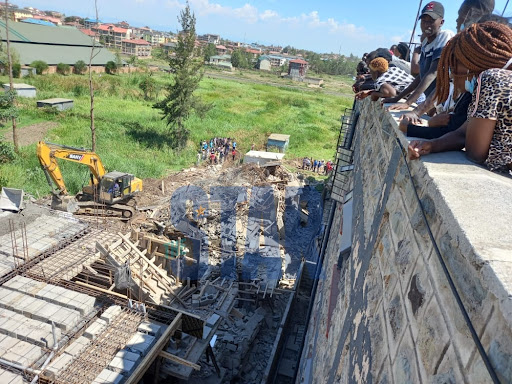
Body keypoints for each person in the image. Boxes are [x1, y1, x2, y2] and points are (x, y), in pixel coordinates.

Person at [409, 22, 512, 173]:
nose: (451, 73)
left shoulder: (491, 78)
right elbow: (463, 133)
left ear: (471, 62)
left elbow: (475, 153)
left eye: (454, 64)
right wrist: (432, 145)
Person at [385, 2, 454, 109]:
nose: (427, 24)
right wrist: (398, 98)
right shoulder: (426, 43)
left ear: (441, 22)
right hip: (433, 101)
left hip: (447, 101)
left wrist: (408, 103)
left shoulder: (445, 36)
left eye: (431, 21)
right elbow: (421, 76)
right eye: (424, 21)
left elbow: (433, 72)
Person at [356, 58, 424, 103]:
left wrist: (374, 94)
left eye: (371, 71)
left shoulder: (380, 80)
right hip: (422, 93)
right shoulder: (394, 69)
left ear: (376, 72)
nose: (370, 73)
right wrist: (369, 92)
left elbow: (391, 93)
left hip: (415, 99)